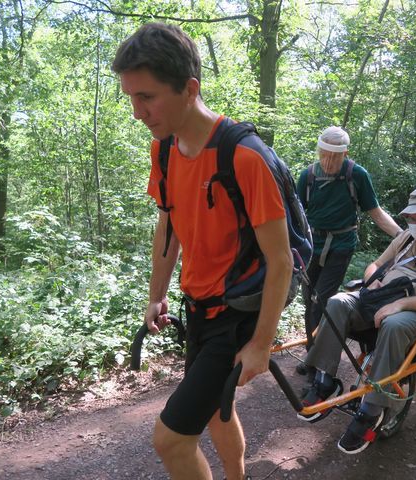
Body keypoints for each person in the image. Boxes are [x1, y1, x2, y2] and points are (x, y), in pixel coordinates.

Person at [112, 23, 293, 480]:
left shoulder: (245, 158)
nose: (137, 112)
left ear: (189, 88)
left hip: (236, 316)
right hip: (198, 308)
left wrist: (261, 344)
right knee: (216, 411)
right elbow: (169, 224)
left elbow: (282, 260)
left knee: (171, 438)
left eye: (147, 97)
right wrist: (157, 294)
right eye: (131, 98)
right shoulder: (165, 150)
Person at [298, 186, 416, 454]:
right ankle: (324, 380)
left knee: (393, 323)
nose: (415, 224)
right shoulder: (405, 239)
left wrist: (401, 304)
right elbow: (376, 264)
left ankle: (372, 409)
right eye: (412, 218)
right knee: (337, 302)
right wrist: (372, 280)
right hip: (382, 299)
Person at [296, 126, 401, 376]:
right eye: (324, 155)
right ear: (319, 151)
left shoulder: (357, 175)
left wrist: (403, 236)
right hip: (312, 245)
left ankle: (314, 362)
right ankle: (313, 349)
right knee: (308, 298)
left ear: (345, 154)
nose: (328, 161)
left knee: (321, 300)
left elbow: (375, 212)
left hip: (341, 244)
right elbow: (297, 215)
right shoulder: (307, 176)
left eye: (335, 156)